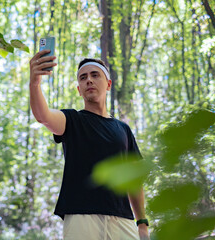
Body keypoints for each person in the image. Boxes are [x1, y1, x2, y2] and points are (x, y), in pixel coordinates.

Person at [29, 49, 149, 240]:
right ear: (79, 89)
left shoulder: (123, 129)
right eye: (83, 78)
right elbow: (43, 116)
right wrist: (35, 82)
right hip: (81, 217)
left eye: (95, 75)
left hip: (123, 220)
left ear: (108, 84)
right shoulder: (72, 120)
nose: (89, 80)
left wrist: (142, 223)